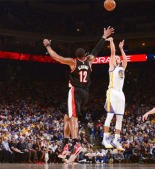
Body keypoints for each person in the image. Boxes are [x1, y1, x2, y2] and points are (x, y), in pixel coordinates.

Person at [43, 26, 114, 163]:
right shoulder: (89, 61)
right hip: (85, 93)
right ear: (85, 56)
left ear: (76, 56)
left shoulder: (73, 62)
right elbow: (96, 50)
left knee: (73, 118)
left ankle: (75, 144)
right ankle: (65, 144)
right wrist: (104, 37)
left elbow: (56, 57)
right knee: (67, 117)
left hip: (75, 91)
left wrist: (48, 46)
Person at [102, 37, 127, 151]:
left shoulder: (122, 68)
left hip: (120, 94)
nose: (117, 58)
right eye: (116, 58)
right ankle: (105, 138)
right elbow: (112, 53)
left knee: (120, 118)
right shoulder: (112, 67)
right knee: (110, 115)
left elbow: (125, 60)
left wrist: (122, 49)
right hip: (112, 92)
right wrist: (112, 42)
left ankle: (116, 139)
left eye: (118, 58)